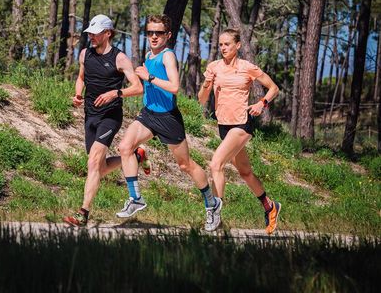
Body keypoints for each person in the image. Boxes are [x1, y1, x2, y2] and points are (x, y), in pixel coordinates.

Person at [116, 14, 221, 231]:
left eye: (159, 33)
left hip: (168, 118)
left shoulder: (168, 56)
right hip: (148, 115)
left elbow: (175, 87)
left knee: (185, 165)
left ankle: (212, 203)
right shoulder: (148, 55)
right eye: (150, 32)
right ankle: (136, 198)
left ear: (168, 35)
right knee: (125, 147)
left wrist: (149, 78)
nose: (154, 37)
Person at [63, 14, 150, 227]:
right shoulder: (85, 54)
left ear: (108, 33)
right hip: (90, 115)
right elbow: (81, 77)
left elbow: (138, 87)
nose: (91, 36)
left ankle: (83, 213)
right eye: (90, 33)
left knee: (92, 163)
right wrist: (77, 95)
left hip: (110, 117)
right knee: (99, 168)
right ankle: (137, 156)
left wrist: (115, 94)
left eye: (96, 33)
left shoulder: (120, 58)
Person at [198, 28, 281, 234]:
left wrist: (262, 103)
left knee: (216, 163)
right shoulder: (214, 67)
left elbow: (274, 88)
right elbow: (201, 99)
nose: (223, 48)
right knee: (245, 172)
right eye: (220, 44)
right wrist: (207, 83)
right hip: (224, 126)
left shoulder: (247, 67)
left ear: (238, 46)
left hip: (242, 124)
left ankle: (215, 212)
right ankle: (270, 206)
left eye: (227, 44)